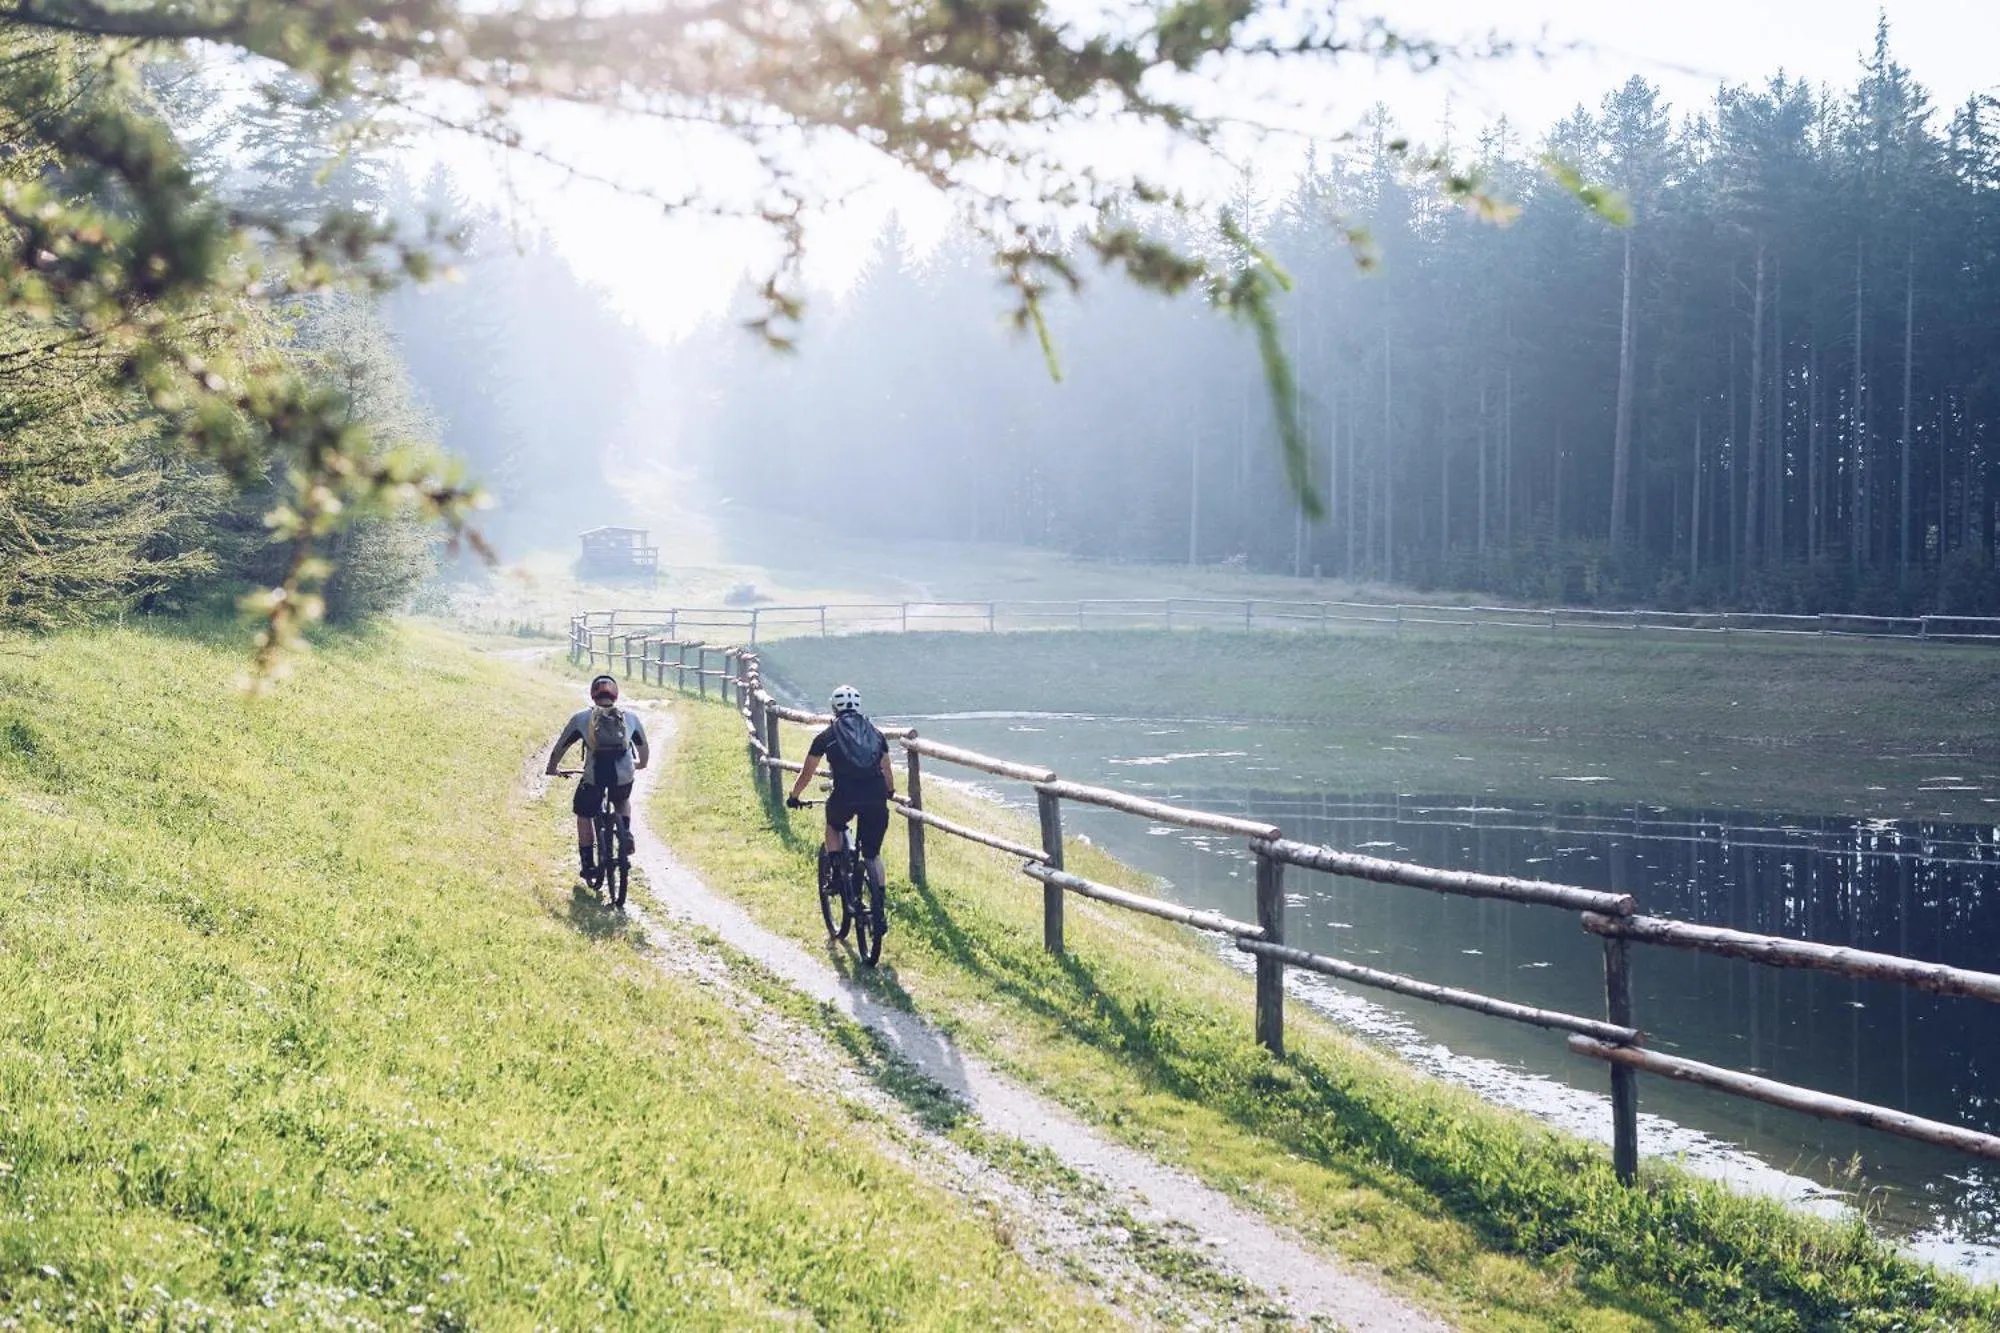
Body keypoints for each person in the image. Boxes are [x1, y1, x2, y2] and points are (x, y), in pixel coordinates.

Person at [787, 684, 896, 923]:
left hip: (845, 796)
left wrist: (794, 796)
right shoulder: (875, 734)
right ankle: (879, 906)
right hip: (875, 797)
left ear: (833, 707)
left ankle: (836, 873)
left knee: (834, 823)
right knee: (873, 855)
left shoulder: (826, 737)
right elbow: (886, 769)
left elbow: (807, 774)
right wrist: (889, 792)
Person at [546, 673, 649, 881]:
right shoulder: (630, 717)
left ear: (593, 695)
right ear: (616, 695)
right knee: (622, 799)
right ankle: (625, 832)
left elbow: (561, 747)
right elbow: (643, 748)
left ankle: (588, 864)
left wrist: (552, 768)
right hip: (623, 775)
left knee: (584, 813)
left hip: (594, 776)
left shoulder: (582, 718)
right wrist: (640, 764)